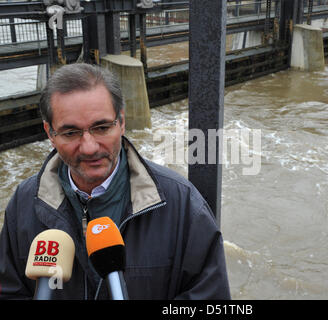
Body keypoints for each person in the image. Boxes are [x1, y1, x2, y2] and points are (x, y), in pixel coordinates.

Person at [0, 63, 231, 300]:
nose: (89, 147)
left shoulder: (182, 204)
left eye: (101, 128)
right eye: (70, 133)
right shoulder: (23, 203)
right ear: (50, 133)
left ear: (121, 122)